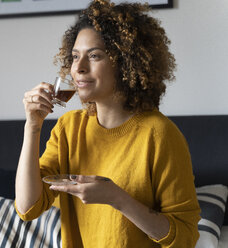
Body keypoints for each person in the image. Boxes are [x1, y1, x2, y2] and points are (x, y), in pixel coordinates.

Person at [15, 0, 201, 247]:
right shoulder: (68, 128)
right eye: (74, 57)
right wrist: (32, 127)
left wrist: (117, 198)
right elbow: (28, 207)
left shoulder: (159, 134)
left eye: (94, 56)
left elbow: (184, 238)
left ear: (125, 62)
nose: (78, 69)